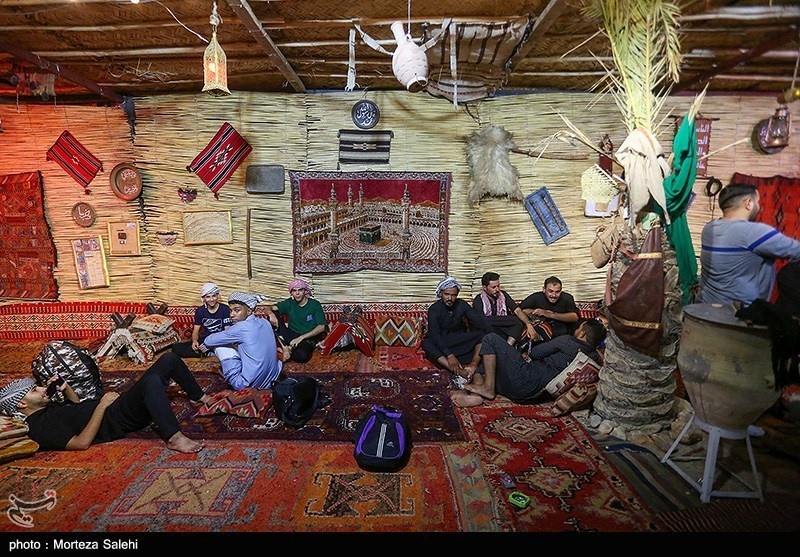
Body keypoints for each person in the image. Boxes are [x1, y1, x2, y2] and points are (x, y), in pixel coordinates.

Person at [0, 352, 212, 453]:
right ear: (21, 404)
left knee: (170, 359)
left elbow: (76, 408)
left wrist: (67, 388)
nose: (40, 389)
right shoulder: (39, 426)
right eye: (34, 390)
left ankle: (200, 397)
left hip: (114, 407)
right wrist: (102, 405)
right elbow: (80, 443)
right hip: (117, 417)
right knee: (151, 383)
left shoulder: (45, 410)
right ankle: (174, 437)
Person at [455, 319, 607, 407]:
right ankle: (476, 395)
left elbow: (535, 353)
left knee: (490, 339)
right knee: (487, 365)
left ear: (582, 333)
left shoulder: (568, 341)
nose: (577, 329)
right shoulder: (594, 359)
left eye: (579, 328)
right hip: (532, 396)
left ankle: (487, 389)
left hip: (524, 379)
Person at [698, 183, 800, 306]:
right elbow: (797, 251)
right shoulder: (754, 232)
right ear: (749, 203)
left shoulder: (709, 228)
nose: (758, 206)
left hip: (705, 308)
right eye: (757, 202)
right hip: (740, 314)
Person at [200, 291, 286, 390]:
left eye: (237, 310)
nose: (232, 315)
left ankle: (210, 354)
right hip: (272, 380)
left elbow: (210, 340)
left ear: (249, 311)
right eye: (230, 311)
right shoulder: (265, 322)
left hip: (247, 385)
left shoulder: (241, 327)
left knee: (220, 346)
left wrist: (206, 345)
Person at [421, 276, 491, 379]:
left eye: (453, 295)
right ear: (441, 294)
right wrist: (450, 355)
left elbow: (479, 322)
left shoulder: (461, 305)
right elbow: (435, 335)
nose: (450, 298)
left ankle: (473, 366)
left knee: (481, 335)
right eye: (447, 294)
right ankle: (457, 370)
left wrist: (494, 338)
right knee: (426, 343)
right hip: (441, 344)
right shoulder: (434, 310)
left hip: (457, 342)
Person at [265, 278, 327, 364]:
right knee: (274, 313)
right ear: (291, 293)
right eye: (294, 290)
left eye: (300, 290)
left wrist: (301, 338)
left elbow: (321, 327)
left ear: (305, 291)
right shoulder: (289, 303)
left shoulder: (315, 304)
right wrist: (271, 314)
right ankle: (285, 348)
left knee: (302, 356)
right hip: (291, 335)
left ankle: (289, 348)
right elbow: (268, 308)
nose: (297, 293)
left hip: (307, 338)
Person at [473, 271, 536, 346]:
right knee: (483, 322)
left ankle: (507, 347)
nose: (497, 289)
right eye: (493, 287)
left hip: (504, 327)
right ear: (484, 288)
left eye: (498, 286)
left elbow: (517, 310)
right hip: (488, 327)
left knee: (519, 321)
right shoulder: (478, 299)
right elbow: (481, 321)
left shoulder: (503, 295)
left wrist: (528, 324)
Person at [172, 282, 231, 358]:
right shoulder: (200, 311)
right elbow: (195, 331)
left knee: (226, 348)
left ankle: (208, 352)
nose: (211, 299)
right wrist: (194, 341)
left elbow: (227, 333)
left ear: (217, 296)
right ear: (204, 298)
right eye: (208, 297)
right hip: (205, 340)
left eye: (214, 296)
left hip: (220, 340)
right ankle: (207, 353)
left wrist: (210, 344)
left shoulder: (225, 309)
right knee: (176, 348)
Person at [519, 276, 580, 343]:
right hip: (542, 328)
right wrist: (536, 312)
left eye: (557, 292)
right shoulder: (536, 297)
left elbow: (575, 317)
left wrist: (550, 314)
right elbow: (520, 310)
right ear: (544, 289)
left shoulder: (567, 298)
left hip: (563, 330)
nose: (554, 295)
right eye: (550, 291)